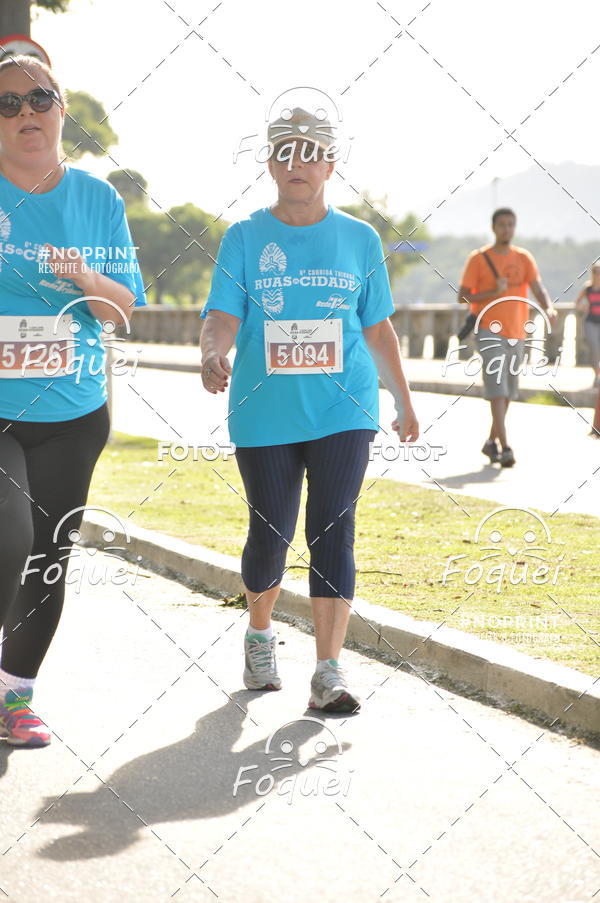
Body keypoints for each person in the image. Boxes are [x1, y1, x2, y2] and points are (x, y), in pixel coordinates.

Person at [200, 108, 419, 714]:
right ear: (270, 165)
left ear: (330, 164)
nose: (297, 163)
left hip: (343, 408)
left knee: (333, 529)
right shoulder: (244, 237)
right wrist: (213, 353)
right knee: (270, 531)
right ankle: (260, 634)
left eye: (310, 152)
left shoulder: (360, 239)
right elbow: (221, 315)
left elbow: (377, 329)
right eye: (285, 152)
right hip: (265, 411)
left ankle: (328, 671)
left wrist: (403, 399)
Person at [0, 56, 147, 748]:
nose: (25, 112)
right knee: (11, 536)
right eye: (7, 104)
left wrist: (85, 275)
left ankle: (14, 695)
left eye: (38, 98)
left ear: (61, 109)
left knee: (48, 555)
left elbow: (121, 312)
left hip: (73, 413)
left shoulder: (98, 199)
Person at [458, 208, 556, 467]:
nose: (506, 229)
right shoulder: (479, 259)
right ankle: (506, 447)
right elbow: (463, 296)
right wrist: (492, 292)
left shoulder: (523, 258)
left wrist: (548, 308)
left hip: (517, 332)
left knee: (509, 391)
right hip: (488, 330)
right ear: (493, 228)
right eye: (502, 224)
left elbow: (537, 287)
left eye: (510, 224)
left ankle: (491, 442)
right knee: (498, 389)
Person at [574, 264, 600, 387]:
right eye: (595, 272)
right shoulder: (587, 288)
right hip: (590, 321)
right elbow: (577, 303)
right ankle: (597, 374)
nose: (597, 275)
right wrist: (582, 307)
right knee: (594, 348)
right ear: (592, 274)